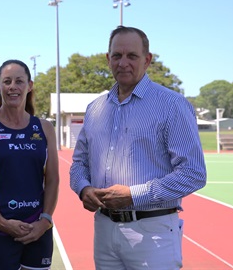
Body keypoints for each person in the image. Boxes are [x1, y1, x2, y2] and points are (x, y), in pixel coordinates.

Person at [70, 26, 207, 270]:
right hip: (104, 229)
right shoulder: (96, 108)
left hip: (152, 233)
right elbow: (79, 163)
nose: (123, 63)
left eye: (131, 56)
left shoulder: (172, 105)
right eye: (117, 56)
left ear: (147, 60)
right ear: (108, 59)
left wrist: (133, 194)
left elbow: (193, 173)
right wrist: (83, 188)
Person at [0, 59, 59, 270]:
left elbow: (52, 180)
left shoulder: (44, 128)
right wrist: (1, 222)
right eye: (7, 81)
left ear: (30, 85)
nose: (13, 87)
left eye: (19, 81)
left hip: (38, 230)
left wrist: (44, 222)